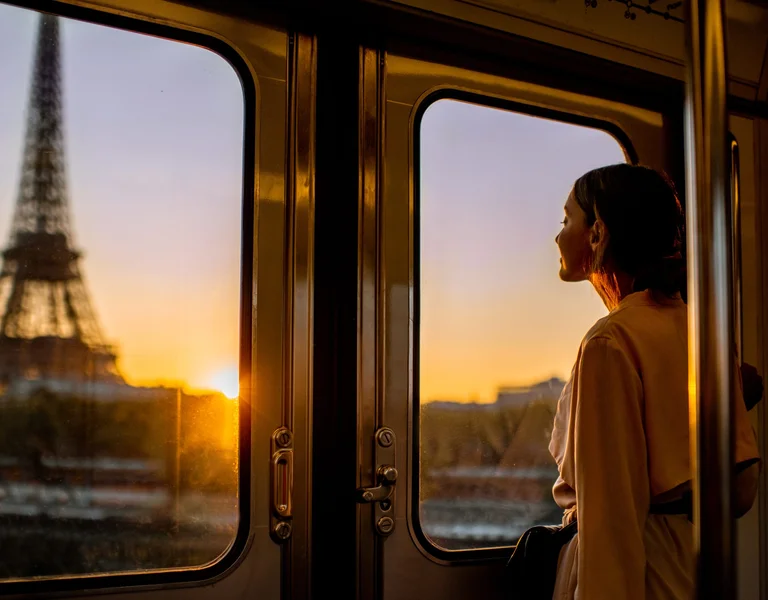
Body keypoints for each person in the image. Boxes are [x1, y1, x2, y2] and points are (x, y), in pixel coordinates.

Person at [549, 163, 761, 599]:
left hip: (643, 577)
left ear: (598, 233)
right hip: (691, 566)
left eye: (567, 219)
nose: (557, 235)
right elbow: (741, 491)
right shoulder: (701, 330)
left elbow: (612, 526)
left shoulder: (610, 342)